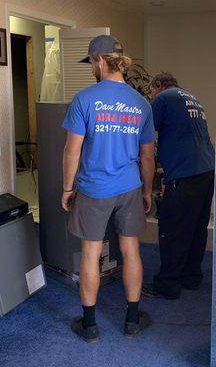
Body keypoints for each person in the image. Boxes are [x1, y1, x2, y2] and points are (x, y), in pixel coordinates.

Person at [61, 35, 155, 342]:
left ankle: (89, 326)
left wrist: (66, 188)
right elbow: (147, 156)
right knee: (130, 249)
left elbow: (72, 151)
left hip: (93, 188)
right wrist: (146, 191)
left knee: (90, 252)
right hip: (129, 187)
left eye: (90, 62)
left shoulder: (85, 99)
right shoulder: (141, 103)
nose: (91, 67)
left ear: (100, 60)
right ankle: (131, 321)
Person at [142, 72, 215, 300]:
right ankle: (191, 278)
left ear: (158, 86)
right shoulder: (191, 98)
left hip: (185, 173)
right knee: (195, 228)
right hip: (207, 170)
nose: (152, 96)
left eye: (151, 91)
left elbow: (144, 133)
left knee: (172, 230)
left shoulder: (164, 99)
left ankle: (167, 285)